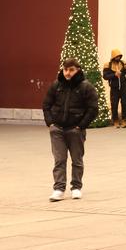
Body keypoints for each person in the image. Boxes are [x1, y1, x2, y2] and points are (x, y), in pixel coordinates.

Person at [42, 58, 99, 201]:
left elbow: (93, 109)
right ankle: (58, 189)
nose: (67, 73)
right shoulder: (57, 85)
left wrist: (81, 126)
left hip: (75, 130)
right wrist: (50, 123)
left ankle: (76, 187)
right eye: (66, 69)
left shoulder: (86, 87)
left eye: (71, 70)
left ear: (77, 70)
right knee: (59, 160)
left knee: (77, 160)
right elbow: (46, 104)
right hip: (58, 130)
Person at [102, 49, 126, 128]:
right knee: (114, 104)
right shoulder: (108, 65)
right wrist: (114, 75)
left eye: (119, 56)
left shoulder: (123, 63)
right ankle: (115, 120)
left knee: (124, 103)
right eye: (117, 56)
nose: (118, 58)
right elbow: (105, 76)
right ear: (113, 57)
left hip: (124, 87)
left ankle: (124, 120)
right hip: (114, 88)